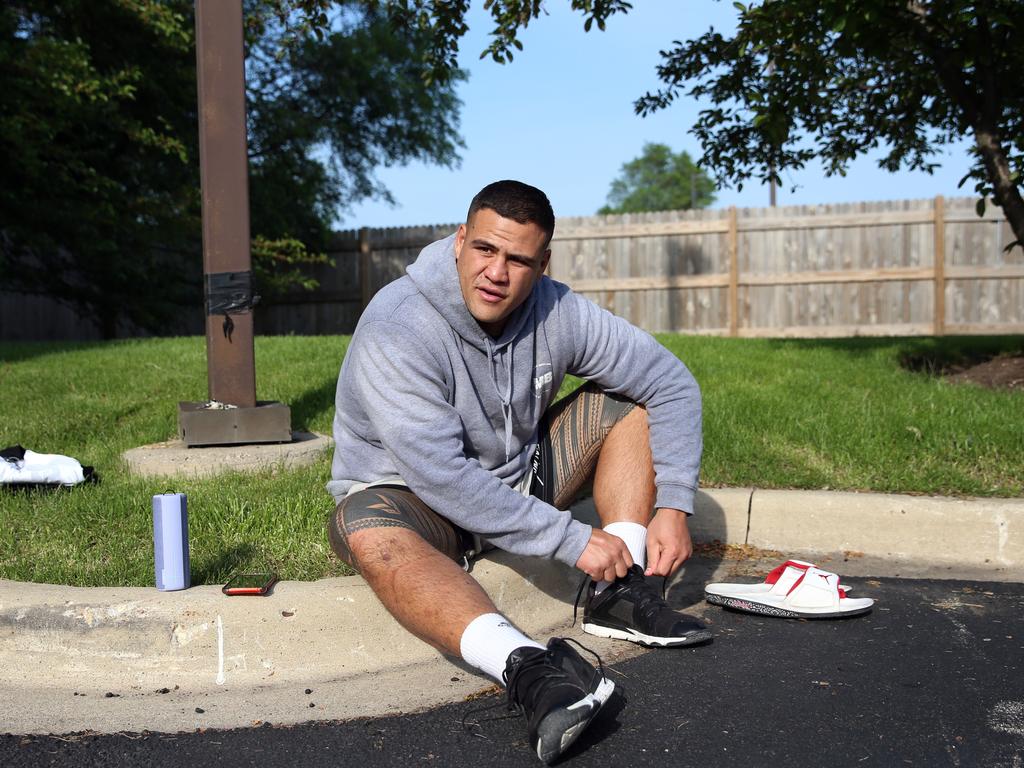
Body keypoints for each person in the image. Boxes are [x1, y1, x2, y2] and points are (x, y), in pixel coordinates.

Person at [326, 180, 706, 764]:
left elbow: (671, 382)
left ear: (542, 263)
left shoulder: (558, 310)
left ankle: (622, 590)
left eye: (518, 259)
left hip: (519, 477)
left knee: (627, 404)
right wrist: (569, 538)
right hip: (415, 497)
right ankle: (530, 671)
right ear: (459, 242)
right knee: (366, 529)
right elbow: (442, 475)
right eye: (484, 249)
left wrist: (675, 504)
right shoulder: (398, 326)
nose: (496, 272)